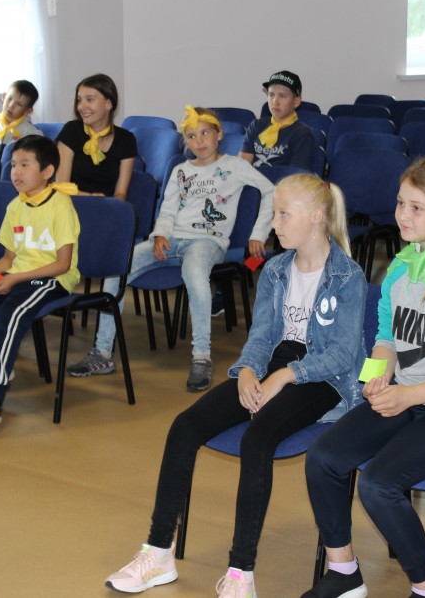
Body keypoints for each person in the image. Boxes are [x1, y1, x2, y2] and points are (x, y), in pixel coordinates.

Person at [104, 173, 366, 598]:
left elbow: (341, 355)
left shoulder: (347, 275)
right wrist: (246, 371)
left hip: (324, 378)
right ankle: (158, 552)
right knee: (184, 427)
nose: (274, 224)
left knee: (257, 439)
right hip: (277, 364)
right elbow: (261, 338)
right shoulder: (276, 269)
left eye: (284, 214)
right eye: (275, 214)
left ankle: (241, 572)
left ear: (317, 217)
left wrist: (284, 376)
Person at [302, 157, 425, 598]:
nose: (402, 216)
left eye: (416, 207)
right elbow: (386, 337)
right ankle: (344, 572)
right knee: (323, 458)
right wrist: (374, 379)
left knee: (379, 485)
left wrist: (407, 395)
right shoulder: (401, 264)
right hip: (409, 399)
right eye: (400, 203)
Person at [68, 106, 274, 392]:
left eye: (205, 133)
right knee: (117, 269)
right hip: (171, 239)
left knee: (194, 273)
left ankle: (201, 356)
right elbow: (167, 211)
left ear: (219, 134)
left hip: (207, 241)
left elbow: (271, 190)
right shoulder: (180, 170)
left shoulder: (235, 166)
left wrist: (258, 234)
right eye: (192, 136)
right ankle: (103, 353)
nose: (199, 141)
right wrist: (160, 235)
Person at [0, 135, 80, 425]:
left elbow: (62, 264)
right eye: (13, 165)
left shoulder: (61, 205)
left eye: (25, 165)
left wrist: (15, 278)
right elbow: (9, 257)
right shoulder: (15, 206)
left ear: (47, 171)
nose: (16, 172)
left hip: (52, 278)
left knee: (11, 315)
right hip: (18, 274)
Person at [55, 73, 137, 199]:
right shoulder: (71, 130)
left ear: (108, 104)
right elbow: (61, 187)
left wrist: (106, 206)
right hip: (70, 204)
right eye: (79, 100)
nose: (81, 107)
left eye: (90, 100)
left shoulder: (126, 139)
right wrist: (92, 198)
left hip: (107, 206)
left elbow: (121, 194)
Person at [239, 70, 316, 171]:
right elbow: (241, 166)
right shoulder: (256, 125)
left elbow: (296, 175)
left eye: (282, 96)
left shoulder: (302, 133)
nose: (275, 102)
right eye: (271, 95)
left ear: (296, 101)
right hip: (253, 180)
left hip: (283, 180)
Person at [0, 79, 42, 161]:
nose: (11, 106)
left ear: (28, 111)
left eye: (19, 104)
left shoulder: (32, 133)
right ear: (3, 97)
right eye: (9, 99)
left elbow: (38, 161)